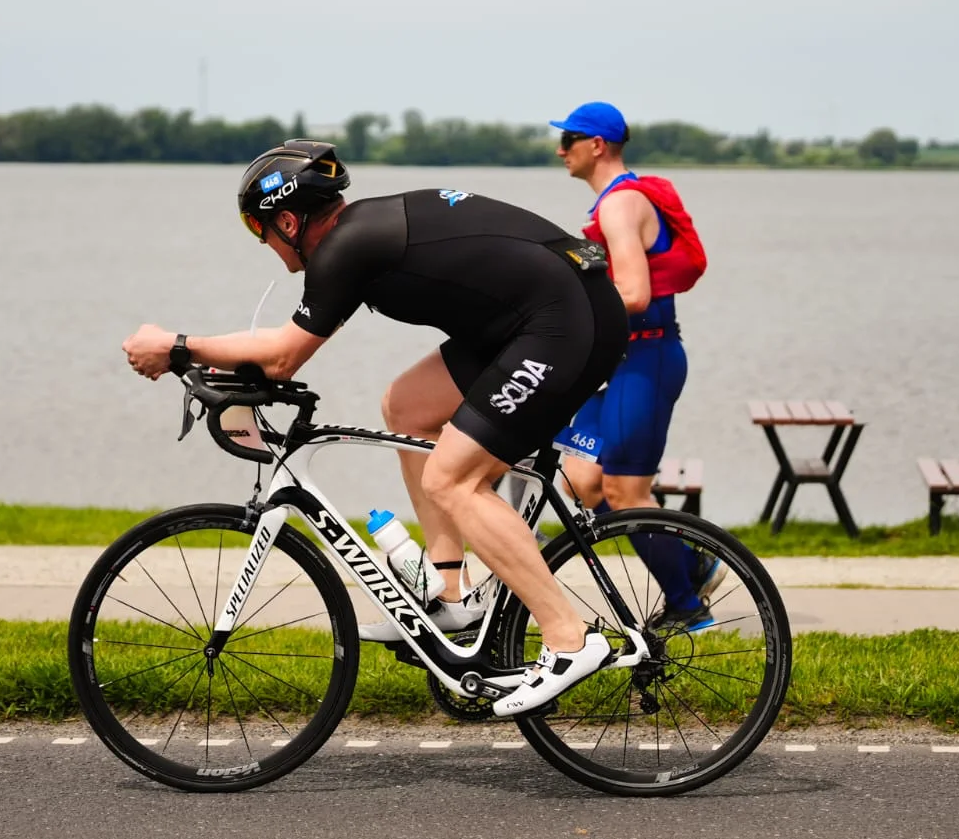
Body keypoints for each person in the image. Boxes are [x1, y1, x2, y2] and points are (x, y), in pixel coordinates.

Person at [121, 139, 629, 716]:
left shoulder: (348, 247)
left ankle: (569, 639)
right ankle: (451, 595)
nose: (262, 243)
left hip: (564, 322)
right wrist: (211, 360)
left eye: (258, 228)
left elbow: (283, 357)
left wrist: (177, 345)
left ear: (287, 220)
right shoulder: (358, 238)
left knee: (452, 480)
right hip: (533, 316)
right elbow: (283, 348)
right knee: (407, 406)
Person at [550, 101, 723, 632]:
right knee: (582, 481)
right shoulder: (616, 201)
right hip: (624, 360)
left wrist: (560, 313)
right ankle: (692, 564)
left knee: (626, 492)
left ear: (596, 145)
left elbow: (634, 293)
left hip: (648, 358)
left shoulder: (621, 205)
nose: (560, 150)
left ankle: (687, 607)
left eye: (569, 140)